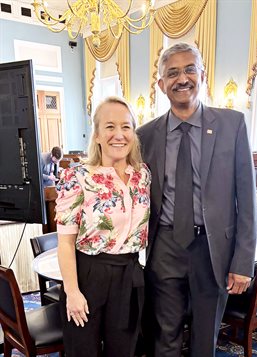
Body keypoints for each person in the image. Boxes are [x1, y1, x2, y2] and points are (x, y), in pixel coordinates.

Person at [137, 43, 257, 357]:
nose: (182, 78)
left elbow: (246, 198)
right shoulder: (145, 135)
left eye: (189, 69)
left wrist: (243, 262)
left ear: (202, 75)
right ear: (161, 84)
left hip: (213, 249)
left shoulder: (233, 125)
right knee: (166, 336)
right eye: (172, 73)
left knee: (205, 341)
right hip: (164, 247)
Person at [55, 96, 151, 357]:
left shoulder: (142, 176)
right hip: (88, 274)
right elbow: (64, 243)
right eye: (109, 126)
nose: (118, 134)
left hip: (129, 274)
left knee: (124, 350)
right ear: (96, 134)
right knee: (83, 350)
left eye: (126, 126)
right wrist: (72, 291)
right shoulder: (77, 177)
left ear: (134, 133)